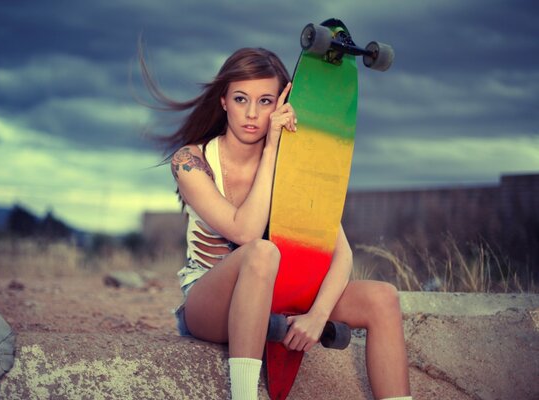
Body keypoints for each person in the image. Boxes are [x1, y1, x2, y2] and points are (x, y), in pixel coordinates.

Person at [141, 47, 412, 400]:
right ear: (223, 101)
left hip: (278, 297)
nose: (252, 114)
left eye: (266, 101)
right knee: (262, 253)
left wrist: (318, 316)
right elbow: (245, 232)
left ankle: (276, 327)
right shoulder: (190, 160)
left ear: (282, 104)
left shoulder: (297, 165)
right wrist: (271, 151)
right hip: (209, 305)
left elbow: (339, 254)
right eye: (241, 99)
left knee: (383, 298)